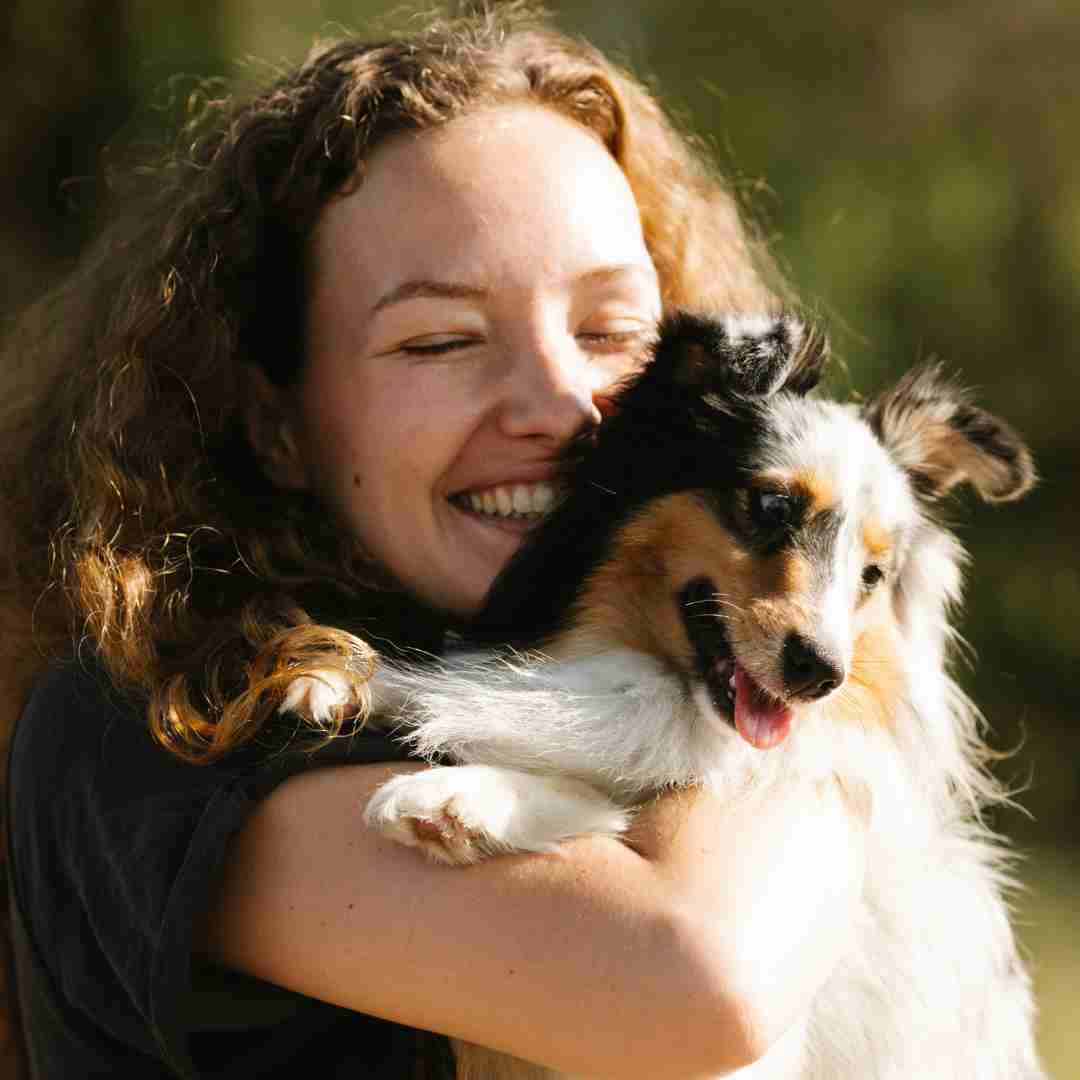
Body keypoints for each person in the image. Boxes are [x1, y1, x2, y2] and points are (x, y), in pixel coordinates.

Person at [0, 3, 866, 1076]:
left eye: (610, 332)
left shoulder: (625, 664)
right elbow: (691, 978)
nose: (562, 405)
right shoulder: (159, 728)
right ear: (275, 424)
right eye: (442, 341)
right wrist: (835, 680)